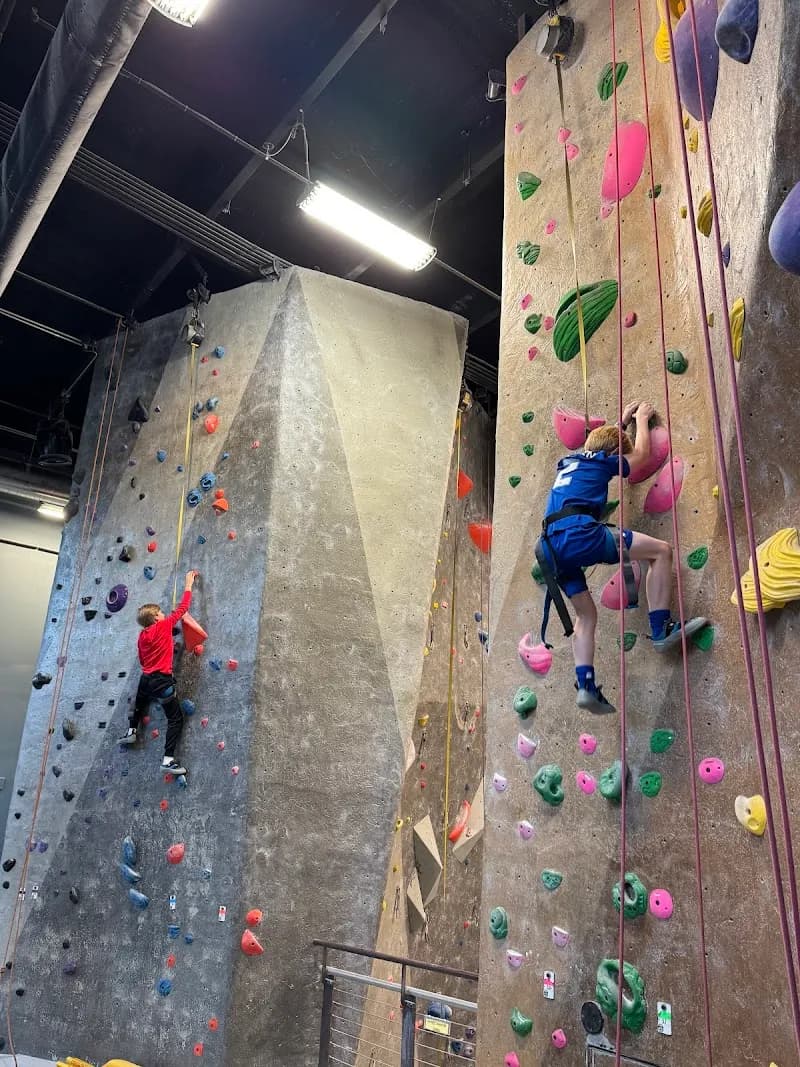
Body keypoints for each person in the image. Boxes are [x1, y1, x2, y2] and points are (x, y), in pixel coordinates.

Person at [536, 401, 706, 715]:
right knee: (661, 552)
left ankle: (585, 685)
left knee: (586, 616)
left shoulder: (570, 462)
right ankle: (661, 630)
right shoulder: (601, 461)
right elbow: (639, 455)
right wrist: (641, 420)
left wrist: (619, 423)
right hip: (577, 534)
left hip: (549, 547)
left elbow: (602, 447)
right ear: (613, 455)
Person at [118, 570, 199, 773]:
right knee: (175, 718)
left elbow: (143, 660)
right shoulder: (163, 626)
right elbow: (183, 608)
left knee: (139, 700)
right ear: (155, 618)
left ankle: (132, 730)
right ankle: (167, 760)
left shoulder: (142, 635)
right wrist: (188, 583)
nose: (163, 614)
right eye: (161, 612)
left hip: (146, 679)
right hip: (162, 681)